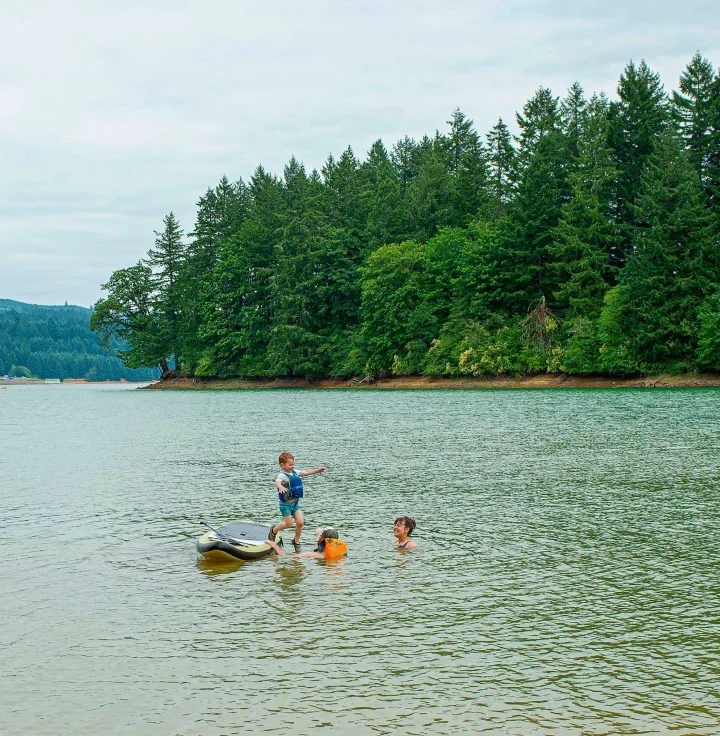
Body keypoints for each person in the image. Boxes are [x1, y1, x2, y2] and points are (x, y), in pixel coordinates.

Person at [268, 452, 327, 552]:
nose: (292, 466)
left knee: (300, 522)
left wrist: (318, 470)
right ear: (282, 465)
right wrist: (280, 486)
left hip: (295, 503)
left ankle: (296, 541)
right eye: (290, 465)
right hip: (285, 505)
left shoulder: (295, 472)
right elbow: (277, 482)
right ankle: (273, 531)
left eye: (293, 464)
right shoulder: (282, 475)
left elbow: (307, 472)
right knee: (288, 525)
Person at [266, 527, 347, 559]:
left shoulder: (311, 555)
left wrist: (274, 546)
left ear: (322, 539)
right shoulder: (340, 556)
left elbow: (285, 556)